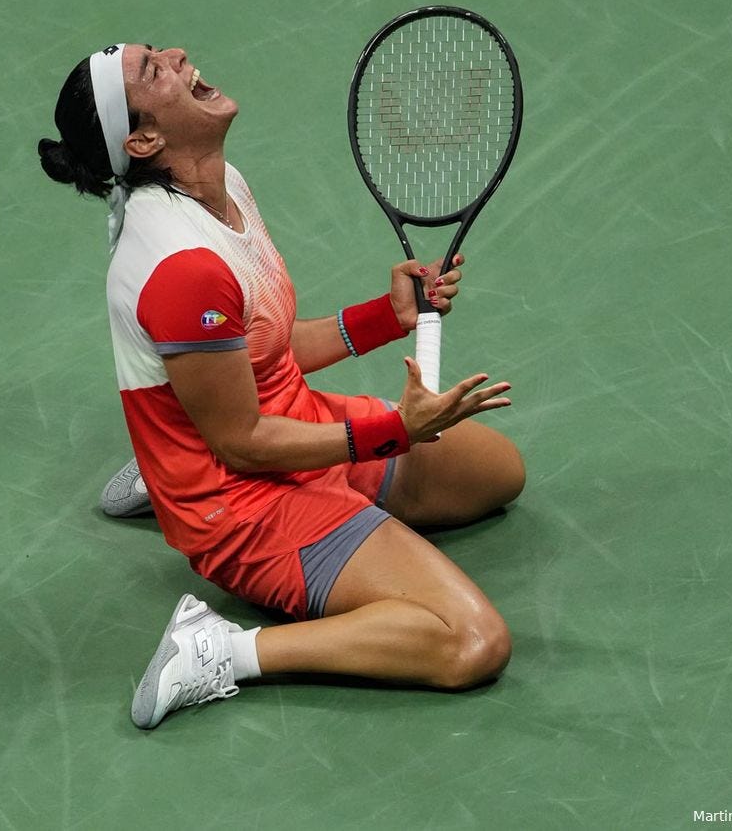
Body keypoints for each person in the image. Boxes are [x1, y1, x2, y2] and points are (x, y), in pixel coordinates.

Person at [38, 43, 525, 730]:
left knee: (499, 474)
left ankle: (167, 450)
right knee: (472, 642)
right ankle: (219, 649)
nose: (177, 55)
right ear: (143, 140)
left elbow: (263, 349)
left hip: (284, 421)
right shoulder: (183, 268)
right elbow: (242, 443)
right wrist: (393, 432)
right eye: (154, 70)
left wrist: (386, 317)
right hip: (241, 502)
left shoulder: (222, 185)